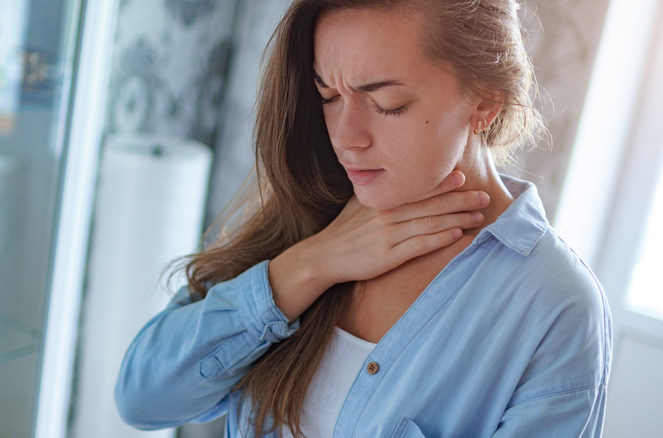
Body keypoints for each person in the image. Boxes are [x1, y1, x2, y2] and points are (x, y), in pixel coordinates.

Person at [115, 0, 612, 437]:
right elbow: (142, 398)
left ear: (484, 98)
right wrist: (309, 266)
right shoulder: (315, 208)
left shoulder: (555, 307)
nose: (346, 138)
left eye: (386, 104)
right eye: (329, 97)